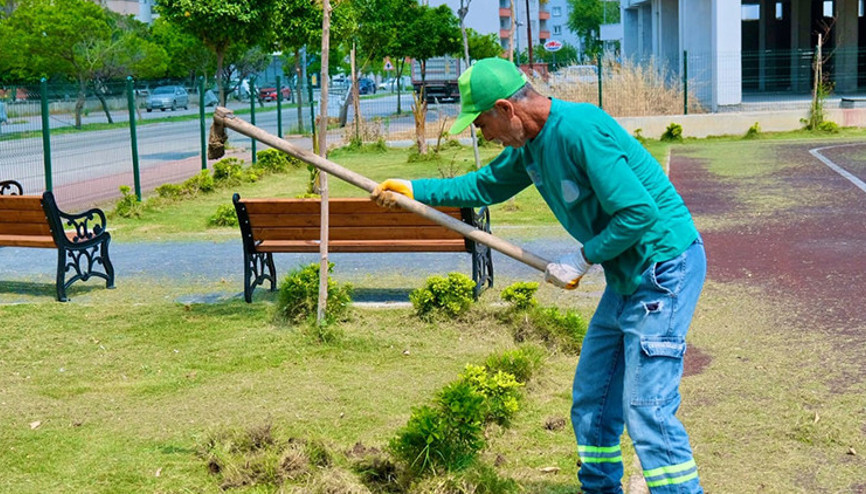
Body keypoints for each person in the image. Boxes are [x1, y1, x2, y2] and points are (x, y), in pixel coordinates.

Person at [371, 57, 706, 494]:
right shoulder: (529, 146)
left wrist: (583, 258)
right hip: (626, 276)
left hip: (662, 268)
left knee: (648, 408)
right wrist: (413, 189)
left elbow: (639, 213)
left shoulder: (579, 130)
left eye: (482, 124)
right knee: (593, 399)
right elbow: (483, 186)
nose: (484, 135)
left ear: (505, 109)